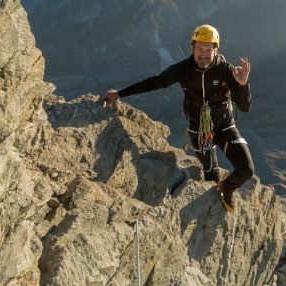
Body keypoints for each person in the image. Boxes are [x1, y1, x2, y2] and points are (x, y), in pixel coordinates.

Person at [104, 24, 254, 212]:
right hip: (198, 129)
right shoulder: (184, 69)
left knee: (246, 171)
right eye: (199, 49)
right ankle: (215, 193)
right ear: (192, 48)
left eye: (209, 50)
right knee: (210, 173)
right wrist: (120, 94)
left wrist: (242, 84)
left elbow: (245, 107)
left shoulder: (226, 70)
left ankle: (227, 187)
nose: (204, 55)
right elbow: (155, 82)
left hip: (225, 126)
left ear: (216, 50)